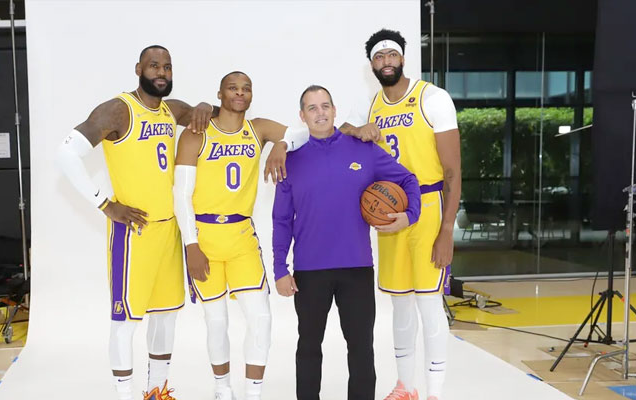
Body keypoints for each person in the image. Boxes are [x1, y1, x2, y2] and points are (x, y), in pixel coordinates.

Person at [266, 29, 461, 400]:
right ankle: (406, 387)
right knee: (399, 303)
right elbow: (331, 132)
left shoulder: (432, 98)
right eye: (378, 56)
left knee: (426, 305)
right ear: (371, 63)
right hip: (361, 235)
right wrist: (283, 142)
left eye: (391, 54)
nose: (385, 60)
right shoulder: (368, 107)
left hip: (418, 214)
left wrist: (442, 226)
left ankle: (433, 392)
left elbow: (437, 173)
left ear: (403, 58)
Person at [57, 45, 215, 400]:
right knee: (125, 321)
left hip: (169, 229)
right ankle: (124, 395)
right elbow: (66, 153)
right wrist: (105, 204)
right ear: (138, 69)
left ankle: (156, 392)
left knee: (165, 317)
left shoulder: (170, 110)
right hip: (134, 234)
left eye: (168, 67)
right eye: (154, 65)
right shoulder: (118, 110)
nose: (162, 72)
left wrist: (205, 105)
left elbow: (206, 114)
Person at [272, 85, 421, 400]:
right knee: (309, 347)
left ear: (335, 110)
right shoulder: (292, 160)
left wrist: (410, 214)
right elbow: (281, 220)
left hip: (356, 268)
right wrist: (279, 269)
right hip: (310, 271)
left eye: (325, 105)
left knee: (361, 348)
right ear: (302, 116)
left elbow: (408, 179)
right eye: (312, 108)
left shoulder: (361, 150)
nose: (320, 113)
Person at [173, 71, 305, 400]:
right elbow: (180, 196)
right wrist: (190, 245)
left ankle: (253, 394)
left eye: (246, 89)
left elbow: (304, 132)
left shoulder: (257, 128)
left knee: (260, 316)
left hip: (242, 235)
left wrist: (282, 143)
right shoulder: (196, 134)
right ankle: (222, 390)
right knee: (216, 320)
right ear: (220, 93)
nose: (240, 93)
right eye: (233, 88)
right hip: (204, 237)